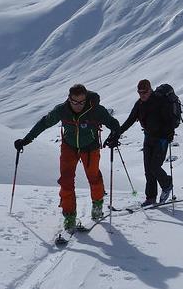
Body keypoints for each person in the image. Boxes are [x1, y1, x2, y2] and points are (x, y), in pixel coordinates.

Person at [15, 84, 120, 230]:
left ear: (86, 99)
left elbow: (113, 123)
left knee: (94, 177)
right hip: (69, 147)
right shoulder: (62, 110)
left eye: (81, 102)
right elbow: (44, 123)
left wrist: (115, 135)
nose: (78, 106)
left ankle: (97, 205)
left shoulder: (95, 109)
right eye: (74, 102)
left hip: (90, 147)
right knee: (66, 181)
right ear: (69, 99)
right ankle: (69, 216)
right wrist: (26, 140)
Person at [105, 79, 175, 207]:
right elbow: (130, 120)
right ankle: (151, 198)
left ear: (150, 90)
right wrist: (116, 134)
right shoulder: (139, 104)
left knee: (154, 167)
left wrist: (169, 134)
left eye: (144, 92)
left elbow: (169, 120)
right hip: (148, 138)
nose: (142, 94)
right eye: (139, 92)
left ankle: (167, 184)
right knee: (148, 170)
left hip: (161, 139)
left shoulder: (160, 101)